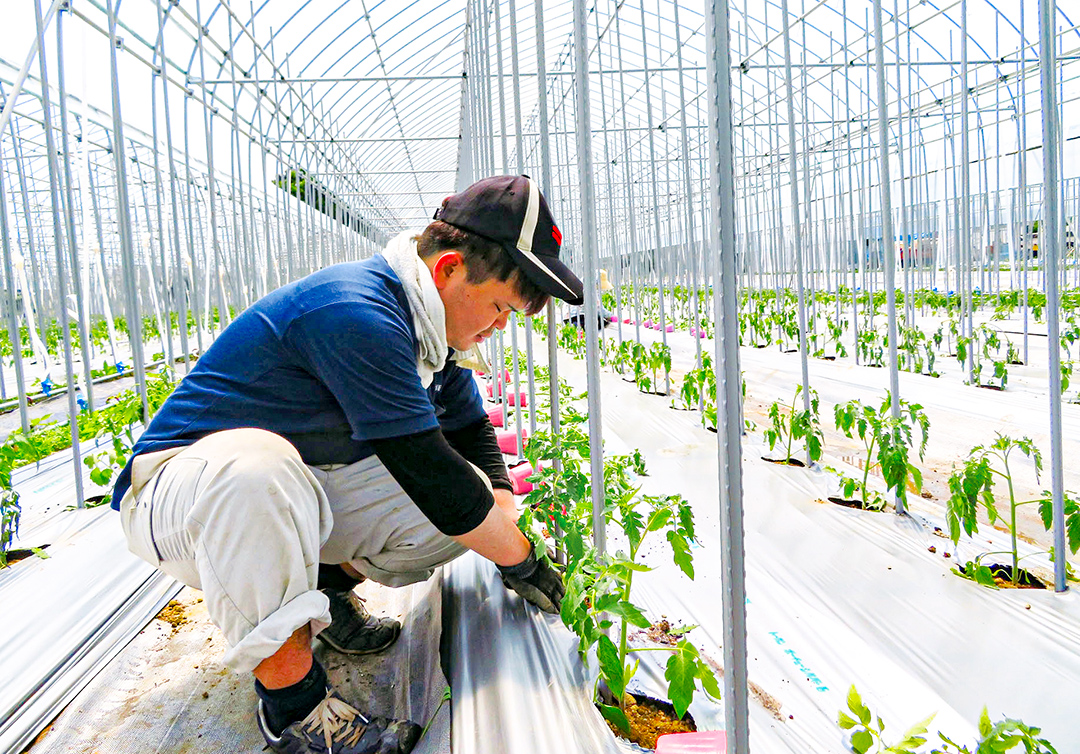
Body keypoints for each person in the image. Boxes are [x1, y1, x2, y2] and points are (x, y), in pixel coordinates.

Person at [112, 175, 583, 754]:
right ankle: (296, 712)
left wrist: (504, 508)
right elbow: (432, 474)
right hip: (180, 495)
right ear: (450, 269)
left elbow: (468, 430)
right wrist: (524, 562)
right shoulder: (356, 312)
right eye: (499, 308)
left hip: (293, 492)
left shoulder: (431, 330)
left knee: (470, 511)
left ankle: (326, 597)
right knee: (260, 469)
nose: (498, 327)